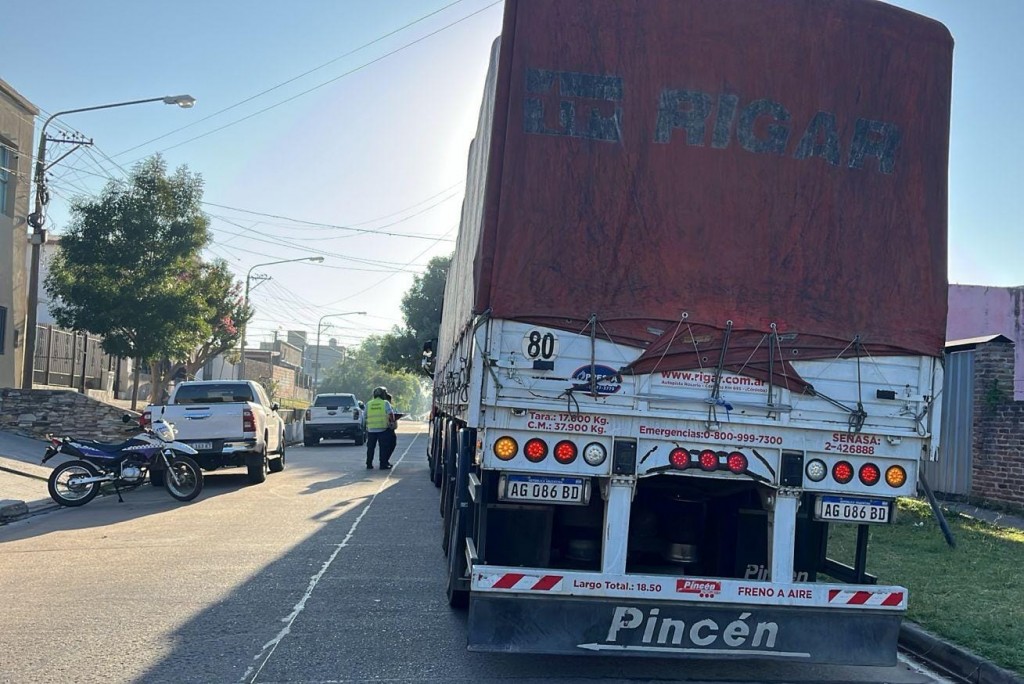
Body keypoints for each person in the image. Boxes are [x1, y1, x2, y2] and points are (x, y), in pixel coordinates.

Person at [365, 387, 396, 470]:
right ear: (383, 395)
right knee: (383, 447)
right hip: (382, 429)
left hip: (371, 429)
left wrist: (366, 427)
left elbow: (365, 416)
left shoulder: (369, 404)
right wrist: (392, 422)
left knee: (370, 447)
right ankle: (383, 464)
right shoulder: (385, 403)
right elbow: (390, 414)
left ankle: (369, 464)